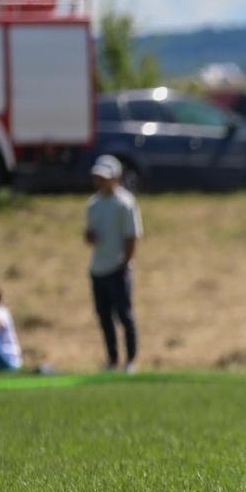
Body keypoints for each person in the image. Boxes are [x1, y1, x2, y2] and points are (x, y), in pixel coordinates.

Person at [85, 155, 142, 372]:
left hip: (118, 268)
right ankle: (112, 359)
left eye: (104, 178)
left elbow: (132, 236)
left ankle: (131, 360)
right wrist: (90, 238)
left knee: (124, 316)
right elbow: (89, 236)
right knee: (104, 317)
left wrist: (125, 264)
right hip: (98, 268)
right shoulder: (93, 204)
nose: (100, 182)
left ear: (116, 178)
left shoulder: (125, 204)